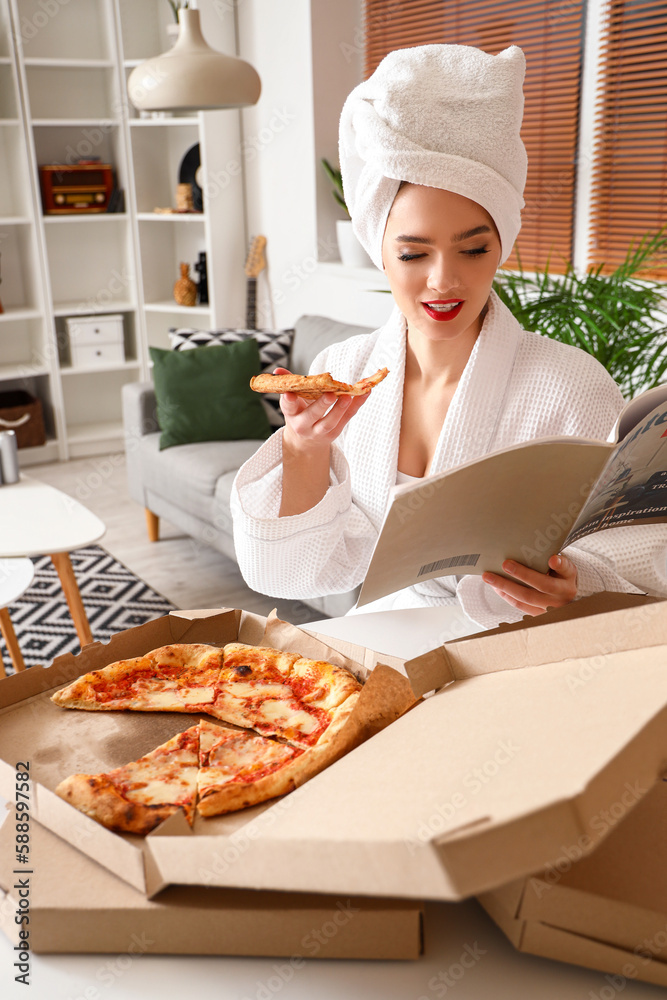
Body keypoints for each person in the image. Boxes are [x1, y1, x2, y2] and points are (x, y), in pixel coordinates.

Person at [231, 43, 667, 628]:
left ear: (501, 246)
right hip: (382, 635)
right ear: (379, 253)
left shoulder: (569, 382)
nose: (444, 281)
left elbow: (638, 549)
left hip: (517, 642)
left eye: (474, 248)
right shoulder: (346, 366)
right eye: (413, 253)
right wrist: (304, 448)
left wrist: (577, 581)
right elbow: (292, 572)